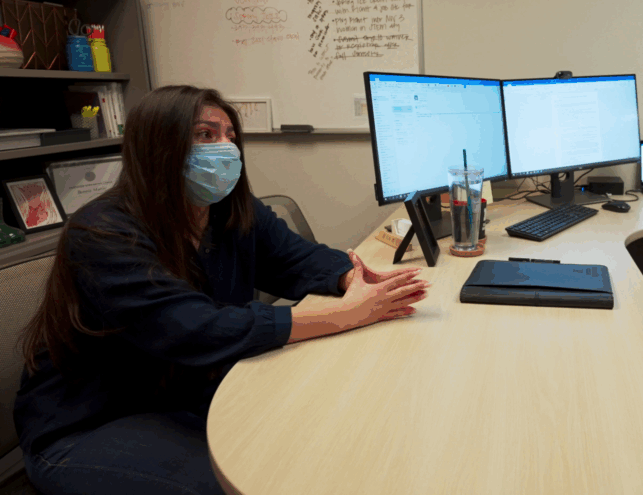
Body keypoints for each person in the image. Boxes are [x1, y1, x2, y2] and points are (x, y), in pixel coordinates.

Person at [15, 85, 431, 495]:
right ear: (158, 147)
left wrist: (350, 277)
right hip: (92, 421)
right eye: (205, 135)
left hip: (187, 389)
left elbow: (295, 258)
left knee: (321, 433)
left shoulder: (229, 209)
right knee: (241, 480)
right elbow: (192, 327)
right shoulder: (101, 232)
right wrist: (340, 315)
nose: (226, 148)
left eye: (230, 136)